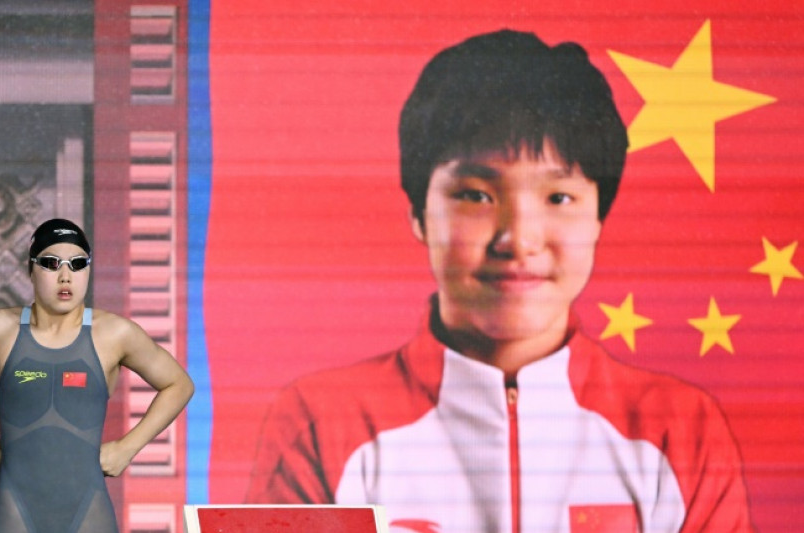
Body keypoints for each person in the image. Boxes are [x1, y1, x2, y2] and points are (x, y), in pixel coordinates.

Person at [245, 30, 753, 532]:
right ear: (418, 214)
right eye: (476, 196)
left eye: (559, 198)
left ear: (599, 217)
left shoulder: (680, 431)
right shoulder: (319, 423)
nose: (518, 240)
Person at [0, 218, 194, 533]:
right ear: (31, 269)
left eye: (77, 264)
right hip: (14, 511)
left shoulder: (114, 334)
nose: (65, 276)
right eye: (52, 263)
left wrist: (127, 448)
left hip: (88, 512)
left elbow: (179, 384)